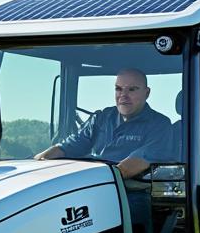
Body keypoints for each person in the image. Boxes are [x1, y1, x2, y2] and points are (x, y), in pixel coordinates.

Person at [34, 68, 172, 177]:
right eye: (118, 89)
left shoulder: (160, 125)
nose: (123, 95)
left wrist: (89, 181)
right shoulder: (101, 118)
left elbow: (132, 165)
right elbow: (67, 147)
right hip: (91, 184)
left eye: (132, 89)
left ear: (147, 93)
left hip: (129, 192)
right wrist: (39, 164)